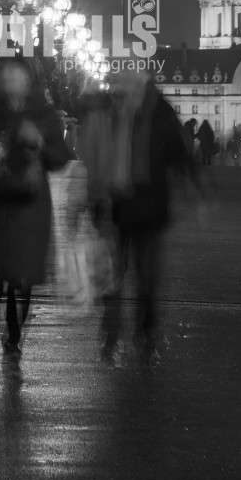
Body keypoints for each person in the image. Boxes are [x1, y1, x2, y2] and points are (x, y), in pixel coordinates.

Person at [0, 58, 70, 357]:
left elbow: (61, 158)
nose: (10, 80)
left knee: (24, 272)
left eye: (15, 75)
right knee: (3, 270)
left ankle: (17, 321)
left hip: (31, 203)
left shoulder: (44, 115)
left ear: (27, 80)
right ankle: (11, 327)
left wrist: (39, 142)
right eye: (5, 76)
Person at [83, 70, 191, 366]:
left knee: (147, 276)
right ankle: (114, 331)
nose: (126, 88)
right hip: (116, 203)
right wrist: (93, 195)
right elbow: (92, 155)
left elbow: (179, 153)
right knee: (115, 275)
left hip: (149, 204)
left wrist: (196, 187)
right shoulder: (108, 113)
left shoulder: (159, 113)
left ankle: (144, 331)